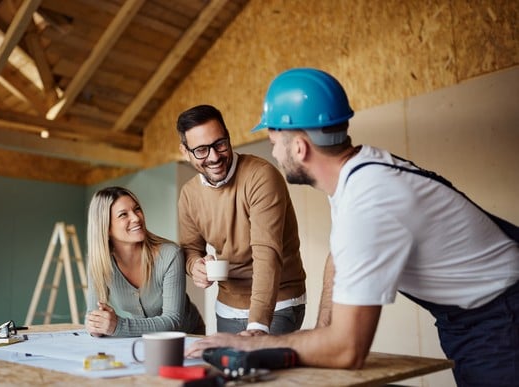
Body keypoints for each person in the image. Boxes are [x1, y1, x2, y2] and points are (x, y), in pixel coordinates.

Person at [186, 68, 519, 386]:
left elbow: (348, 349)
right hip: (474, 315)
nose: (273, 150)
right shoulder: (357, 173)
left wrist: (251, 344)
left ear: (299, 148)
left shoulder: (369, 200)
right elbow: (337, 258)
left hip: (501, 317)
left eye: (273, 140)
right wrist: (319, 333)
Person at [176, 104, 307, 336]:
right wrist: (194, 266)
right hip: (228, 306)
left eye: (220, 144)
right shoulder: (189, 194)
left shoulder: (260, 176)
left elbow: (267, 253)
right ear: (185, 152)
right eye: (201, 150)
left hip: (278, 303)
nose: (214, 157)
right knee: (230, 371)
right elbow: (190, 249)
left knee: (264, 370)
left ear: (228, 137)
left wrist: (257, 325)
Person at [85, 186, 205, 337]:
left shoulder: (170, 255)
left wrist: (118, 325)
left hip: (188, 336)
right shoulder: (99, 263)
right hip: (143, 338)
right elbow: (92, 315)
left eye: (137, 209)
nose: (136, 218)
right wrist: (97, 326)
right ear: (106, 227)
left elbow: (173, 321)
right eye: (123, 215)